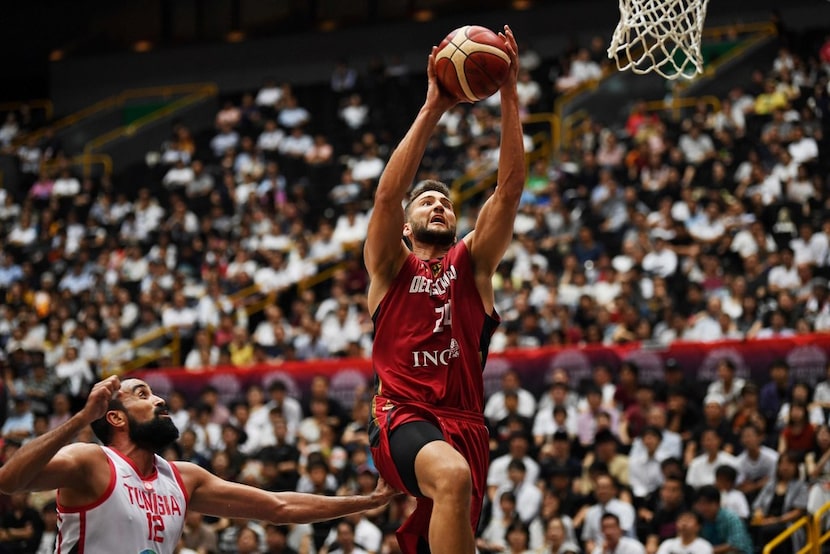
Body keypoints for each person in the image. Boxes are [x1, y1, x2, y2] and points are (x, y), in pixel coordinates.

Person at [363, 26, 523, 554]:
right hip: (403, 414)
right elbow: (386, 199)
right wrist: (434, 105)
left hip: (468, 424)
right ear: (407, 227)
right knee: (451, 478)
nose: (439, 205)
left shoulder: (473, 263)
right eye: (427, 202)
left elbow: (509, 189)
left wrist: (509, 93)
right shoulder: (390, 266)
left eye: (447, 204)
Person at [0, 376, 397, 553]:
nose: (159, 400)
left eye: (156, 393)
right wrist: (81, 419)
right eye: (143, 394)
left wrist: (365, 502)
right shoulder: (90, 461)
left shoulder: (183, 477)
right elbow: (9, 480)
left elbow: (279, 507)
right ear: (116, 417)